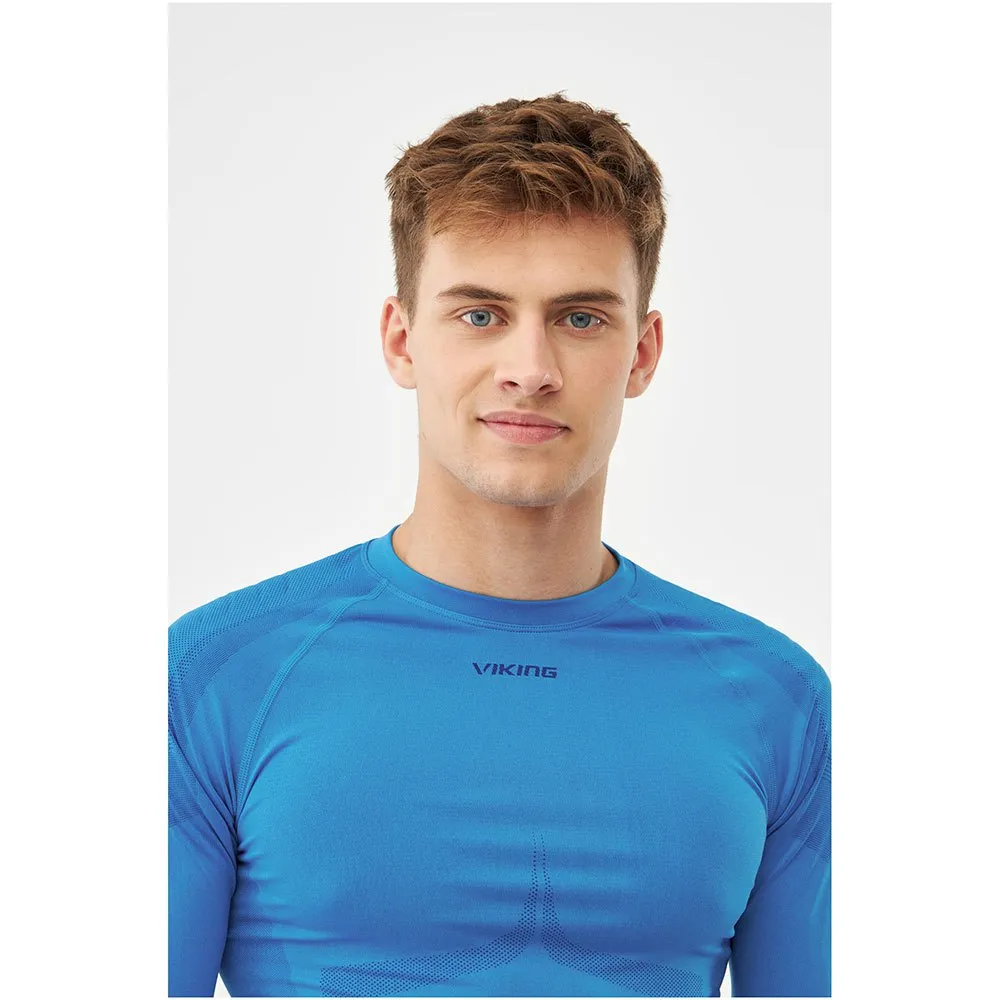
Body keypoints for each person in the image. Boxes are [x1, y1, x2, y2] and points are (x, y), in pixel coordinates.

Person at [168, 92, 831, 998]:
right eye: (480, 315)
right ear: (402, 341)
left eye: (581, 318)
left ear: (642, 353)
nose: (530, 369)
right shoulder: (217, 675)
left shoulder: (775, 699)